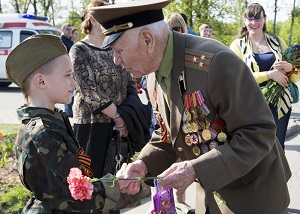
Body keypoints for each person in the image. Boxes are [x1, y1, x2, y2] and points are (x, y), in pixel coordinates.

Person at [91, 0, 291, 213]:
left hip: (252, 195)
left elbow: (258, 133)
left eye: (119, 50)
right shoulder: (152, 75)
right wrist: (142, 164)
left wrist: (196, 169)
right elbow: (169, 134)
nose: (116, 60)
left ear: (147, 40)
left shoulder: (214, 62)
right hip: (211, 192)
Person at [5, 34, 127, 213]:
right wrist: (118, 185)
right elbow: (74, 197)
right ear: (41, 81)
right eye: (68, 75)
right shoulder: (42, 135)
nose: (74, 83)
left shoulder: (51, 122)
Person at [69, 0, 151, 179]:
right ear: (92, 19)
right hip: (92, 125)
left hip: (120, 125)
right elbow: (87, 89)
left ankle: (115, 208)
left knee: (118, 179)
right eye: (105, 15)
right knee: (92, 179)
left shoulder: (114, 47)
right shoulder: (79, 50)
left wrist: (125, 116)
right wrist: (118, 117)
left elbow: (130, 81)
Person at [230, 3, 299, 150]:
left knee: (278, 147)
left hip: (279, 103)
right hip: (251, 104)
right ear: (244, 21)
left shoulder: (278, 42)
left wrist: (291, 68)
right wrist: (269, 75)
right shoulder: (237, 45)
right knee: (256, 148)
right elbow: (238, 76)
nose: (253, 23)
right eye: (250, 19)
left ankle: (280, 174)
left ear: (265, 19)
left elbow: (294, 77)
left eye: (257, 18)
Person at [60, 23, 75, 117]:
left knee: (71, 90)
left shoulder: (70, 40)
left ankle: (69, 110)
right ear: (62, 30)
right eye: (67, 29)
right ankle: (68, 111)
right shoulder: (61, 41)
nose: (70, 31)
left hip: (71, 69)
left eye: (71, 30)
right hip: (64, 70)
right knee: (67, 89)